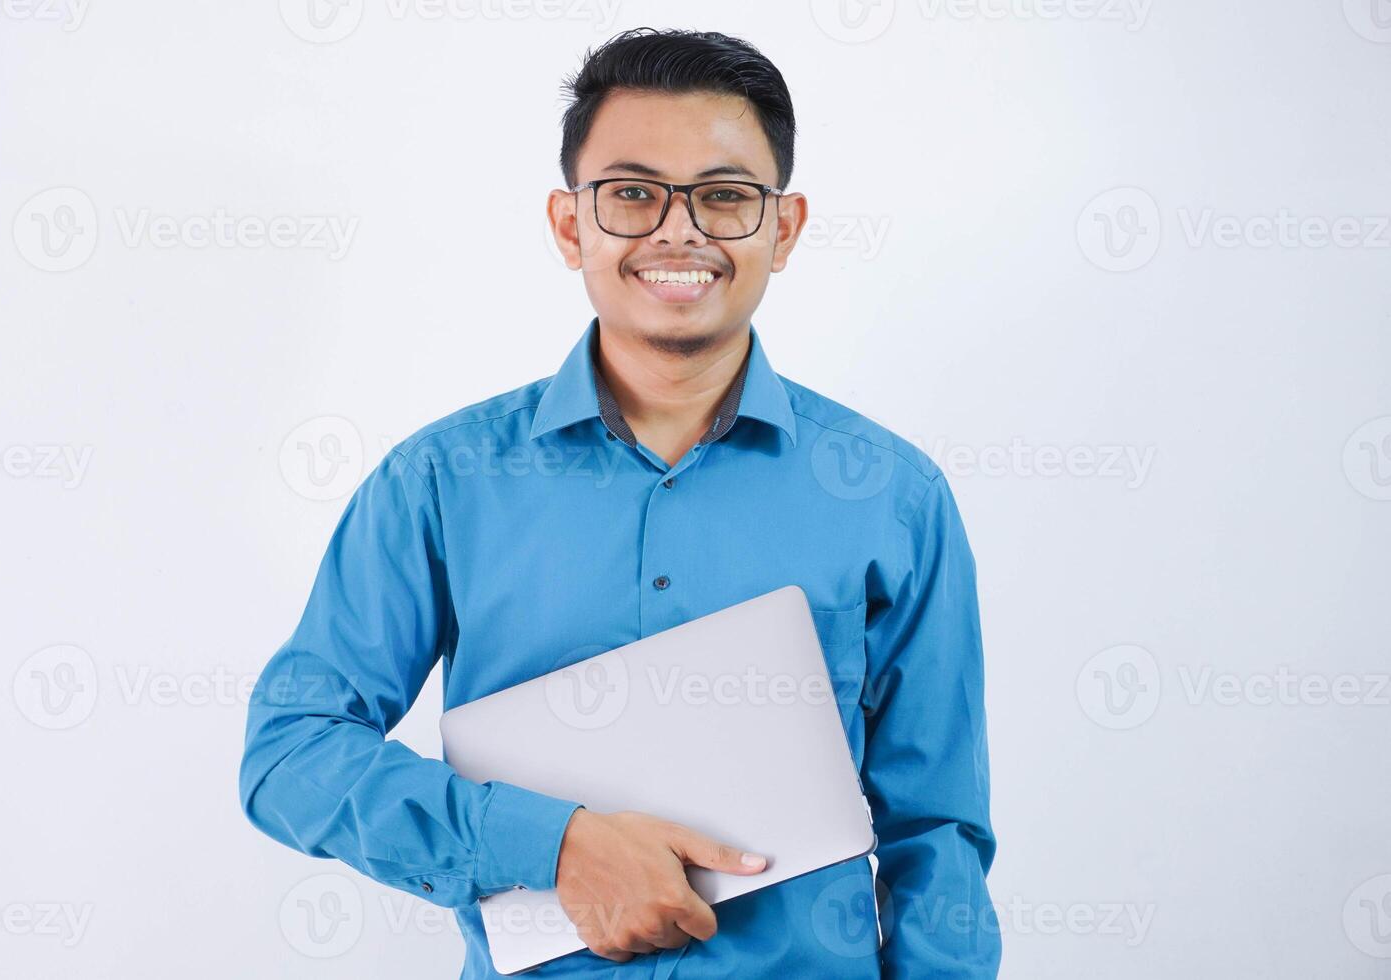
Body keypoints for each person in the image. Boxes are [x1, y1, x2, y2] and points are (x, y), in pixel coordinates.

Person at [240, 27, 999, 979]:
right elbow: (290, 753)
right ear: (571, 226)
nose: (678, 232)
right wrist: (546, 843)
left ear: (785, 227)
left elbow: (938, 833)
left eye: (725, 198)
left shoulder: (894, 498)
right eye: (632, 194)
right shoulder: (439, 483)